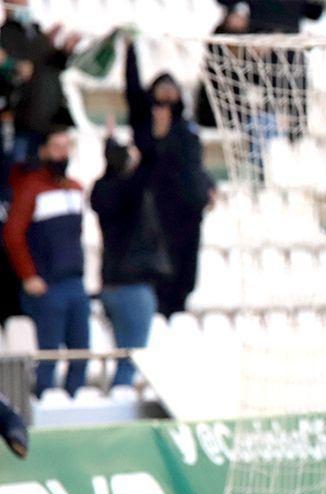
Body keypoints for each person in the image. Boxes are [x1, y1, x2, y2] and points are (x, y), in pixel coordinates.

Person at [125, 41, 213, 316]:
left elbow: (195, 163)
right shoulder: (146, 124)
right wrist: (131, 51)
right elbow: (151, 159)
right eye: (161, 89)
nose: (166, 96)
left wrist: (209, 185)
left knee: (188, 262)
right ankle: (162, 307)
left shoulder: (186, 127)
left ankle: (179, 304)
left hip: (190, 206)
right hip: (161, 205)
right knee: (165, 262)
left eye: (171, 89)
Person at [3, 128, 89, 396]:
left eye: (66, 147)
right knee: (49, 354)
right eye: (56, 147)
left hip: (75, 281)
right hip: (49, 285)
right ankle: (43, 402)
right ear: (44, 151)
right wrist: (29, 275)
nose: (61, 153)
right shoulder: (31, 188)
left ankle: (75, 402)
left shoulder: (76, 188)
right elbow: (12, 234)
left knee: (81, 353)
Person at [91, 130, 172, 388]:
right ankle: (119, 402)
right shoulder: (129, 191)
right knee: (131, 359)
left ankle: (117, 395)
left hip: (110, 283)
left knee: (122, 356)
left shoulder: (102, 189)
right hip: (133, 286)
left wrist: (111, 147)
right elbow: (148, 167)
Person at [0, 1, 79, 163]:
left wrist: (64, 51)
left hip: (48, 113)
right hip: (26, 117)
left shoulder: (36, 32)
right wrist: (13, 66)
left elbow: (48, 64)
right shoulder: (6, 35)